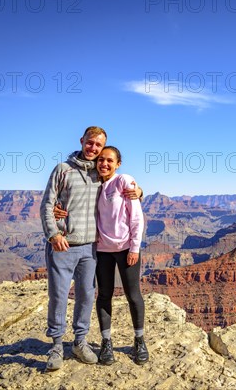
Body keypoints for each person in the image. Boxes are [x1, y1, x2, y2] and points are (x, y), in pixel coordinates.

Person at [40, 127, 141, 371]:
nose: (94, 149)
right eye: (91, 143)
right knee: (59, 297)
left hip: (90, 249)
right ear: (82, 141)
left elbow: (124, 194)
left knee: (86, 297)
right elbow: (47, 204)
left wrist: (140, 192)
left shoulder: (100, 174)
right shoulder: (63, 170)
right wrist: (53, 234)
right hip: (63, 246)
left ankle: (79, 342)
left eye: (99, 145)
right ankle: (55, 347)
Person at [94, 146, 148, 365]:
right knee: (104, 295)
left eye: (109, 160)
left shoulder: (124, 180)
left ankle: (139, 340)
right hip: (102, 249)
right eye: (101, 160)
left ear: (118, 164)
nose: (104, 164)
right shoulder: (94, 184)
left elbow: (136, 217)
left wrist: (135, 247)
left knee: (132, 295)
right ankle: (106, 343)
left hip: (126, 248)